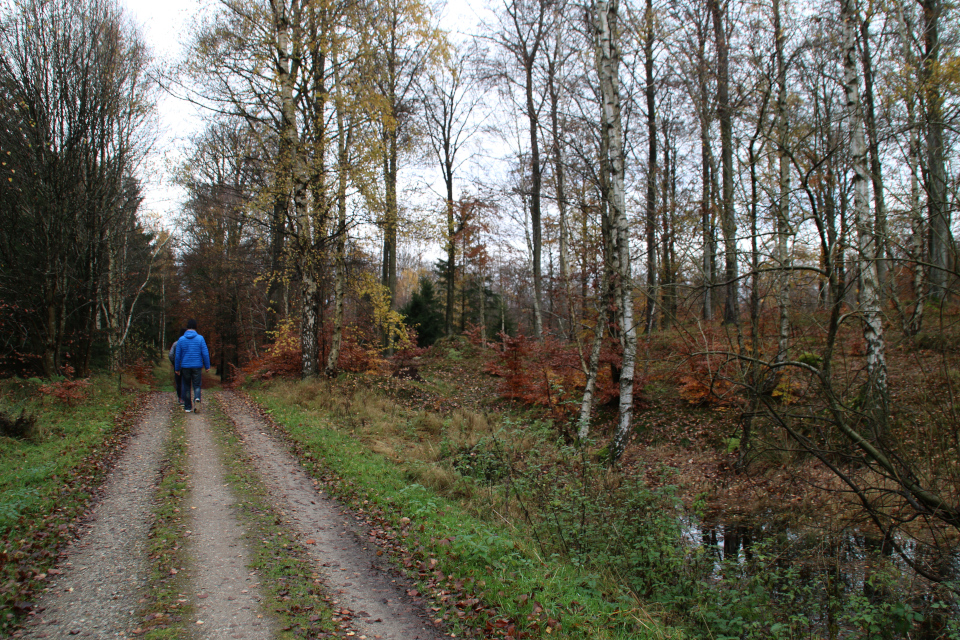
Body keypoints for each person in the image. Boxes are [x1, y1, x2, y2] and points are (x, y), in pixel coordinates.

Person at [174, 319, 210, 413]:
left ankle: (187, 407)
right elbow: (205, 353)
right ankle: (197, 399)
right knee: (197, 385)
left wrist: (177, 368)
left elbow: (177, 356)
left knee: (186, 386)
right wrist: (207, 366)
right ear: (195, 327)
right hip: (197, 366)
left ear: (187, 327)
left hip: (185, 366)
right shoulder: (200, 338)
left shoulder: (181, 340)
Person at [168, 329, 185, 405]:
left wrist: (174, 363)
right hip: (186, 366)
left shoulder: (175, 344)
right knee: (185, 382)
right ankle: (185, 398)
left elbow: (170, 355)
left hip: (177, 365)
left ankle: (180, 398)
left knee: (178, 383)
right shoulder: (187, 344)